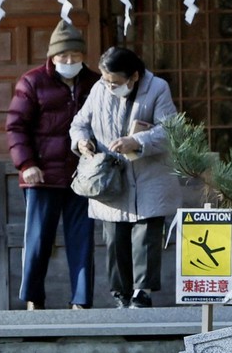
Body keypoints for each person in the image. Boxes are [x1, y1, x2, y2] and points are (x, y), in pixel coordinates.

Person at [69, 46, 180, 308]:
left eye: (116, 82)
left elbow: (170, 131)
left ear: (134, 77)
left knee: (145, 238)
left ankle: (143, 293)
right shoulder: (98, 89)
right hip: (109, 178)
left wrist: (136, 141)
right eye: (106, 81)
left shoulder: (158, 88)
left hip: (149, 176)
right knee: (114, 239)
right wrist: (82, 141)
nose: (110, 87)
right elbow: (79, 123)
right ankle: (120, 293)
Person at [5, 21, 95, 309]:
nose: (69, 62)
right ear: (52, 57)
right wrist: (26, 163)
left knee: (82, 241)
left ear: (83, 56)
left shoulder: (94, 82)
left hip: (82, 176)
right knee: (38, 240)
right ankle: (33, 298)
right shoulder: (31, 82)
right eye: (63, 56)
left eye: (75, 56)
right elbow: (15, 127)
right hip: (41, 175)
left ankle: (81, 301)